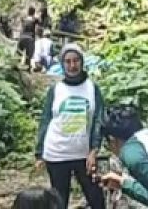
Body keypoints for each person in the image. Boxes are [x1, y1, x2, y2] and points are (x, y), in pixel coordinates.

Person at [35, 43, 107, 209]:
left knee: (96, 198)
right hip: (57, 153)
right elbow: (46, 120)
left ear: (82, 62)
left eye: (76, 61)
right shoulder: (56, 89)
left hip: (84, 156)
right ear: (62, 64)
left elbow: (98, 120)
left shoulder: (92, 88)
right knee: (59, 202)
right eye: (68, 61)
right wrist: (39, 152)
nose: (72, 65)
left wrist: (94, 150)